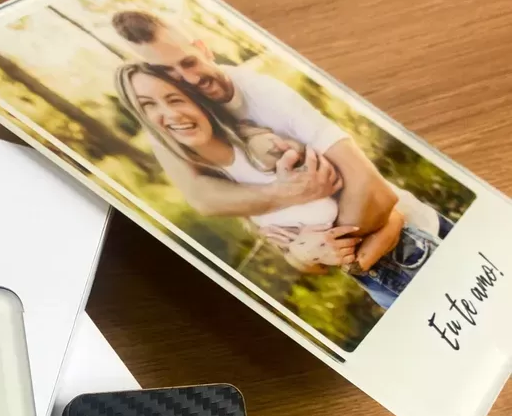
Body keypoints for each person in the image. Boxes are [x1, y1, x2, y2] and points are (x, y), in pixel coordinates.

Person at [116, 62, 449, 306]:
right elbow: (307, 262)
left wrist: (349, 258)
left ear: (196, 101)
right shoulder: (225, 189)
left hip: (418, 251)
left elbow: (386, 207)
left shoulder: (268, 150)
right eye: (149, 105)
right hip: (384, 287)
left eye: (175, 98)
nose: (171, 114)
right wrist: (305, 253)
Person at [111, 10, 399, 239]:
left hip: (396, 229)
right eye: (168, 73)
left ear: (203, 49)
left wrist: (334, 251)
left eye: (189, 62)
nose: (189, 79)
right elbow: (201, 198)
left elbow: (369, 185)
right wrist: (285, 201)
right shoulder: (178, 123)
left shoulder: (265, 93)